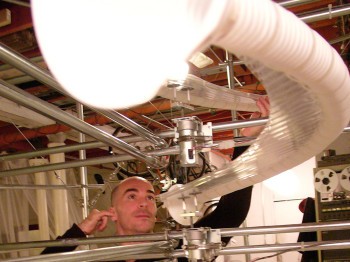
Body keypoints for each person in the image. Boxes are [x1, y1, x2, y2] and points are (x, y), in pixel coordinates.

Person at [41, 97, 270, 261]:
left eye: (150, 197)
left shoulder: (180, 251)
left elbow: (232, 212)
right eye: (132, 196)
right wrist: (80, 231)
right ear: (113, 212)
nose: (144, 203)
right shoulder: (100, 258)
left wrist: (244, 142)